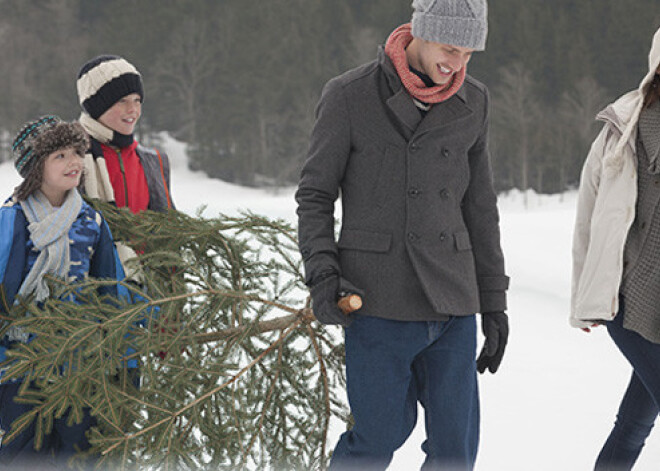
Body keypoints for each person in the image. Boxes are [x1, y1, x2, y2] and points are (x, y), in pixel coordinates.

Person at [295, 0, 509, 469]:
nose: (457, 64)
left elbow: (480, 208)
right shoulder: (349, 95)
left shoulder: (474, 100)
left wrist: (494, 301)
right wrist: (323, 277)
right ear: (420, 32)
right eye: (451, 48)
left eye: (470, 54)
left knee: (455, 450)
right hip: (376, 301)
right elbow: (314, 196)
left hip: (453, 302)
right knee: (376, 440)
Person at [0, 116, 129, 468]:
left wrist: (123, 356)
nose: (74, 162)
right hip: (20, 367)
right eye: (60, 155)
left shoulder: (91, 220)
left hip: (80, 364)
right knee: (23, 454)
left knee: (79, 453)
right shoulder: (11, 219)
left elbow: (111, 291)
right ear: (34, 167)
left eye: (77, 152)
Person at [571, 26, 660, 471]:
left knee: (634, 425)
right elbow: (589, 218)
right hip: (627, 301)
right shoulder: (620, 133)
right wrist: (584, 299)